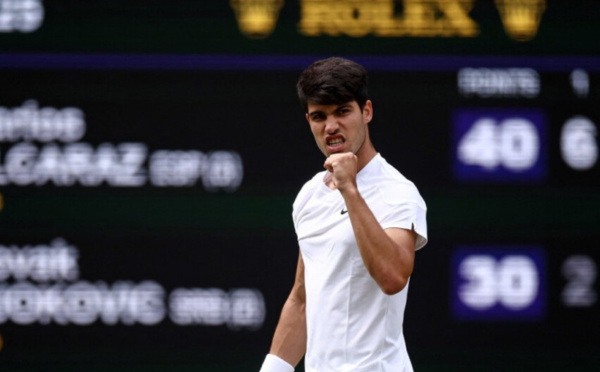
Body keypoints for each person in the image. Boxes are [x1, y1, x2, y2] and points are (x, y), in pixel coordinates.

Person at [259, 57, 428, 372]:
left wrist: (350, 188)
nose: (331, 126)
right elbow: (302, 300)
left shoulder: (398, 191)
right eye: (319, 116)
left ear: (366, 112)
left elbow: (393, 278)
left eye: (342, 112)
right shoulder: (309, 195)